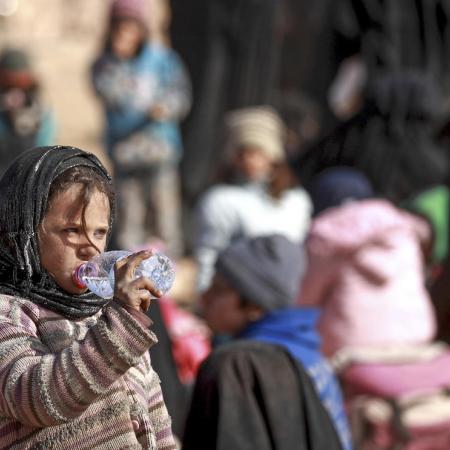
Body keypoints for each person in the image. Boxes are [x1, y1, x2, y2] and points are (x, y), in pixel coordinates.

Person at [0, 146, 176, 449]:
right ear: (23, 231)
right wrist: (121, 325)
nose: (91, 249)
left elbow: (156, 426)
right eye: (72, 230)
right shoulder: (10, 314)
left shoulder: (107, 316)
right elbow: (37, 399)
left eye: (99, 232)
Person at [183, 235, 351, 450]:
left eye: (218, 289)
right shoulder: (305, 350)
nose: (205, 297)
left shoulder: (250, 366)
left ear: (254, 307)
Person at [298, 167, 437, 358]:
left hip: (349, 347)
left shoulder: (325, 239)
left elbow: (304, 302)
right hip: (417, 336)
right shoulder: (402, 229)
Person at [91, 0, 191, 258]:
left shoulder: (162, 59)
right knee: (129, 220)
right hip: (126, 156)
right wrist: (119, 63)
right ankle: (128, 275)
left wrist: (165, 108)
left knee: (165, 218)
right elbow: (114, 101)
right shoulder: (104, 65)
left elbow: (181, 95)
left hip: (161, 152)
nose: (126, 33)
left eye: (132, 27)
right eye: (120, 27)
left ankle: (169, 277)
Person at [194, 106, 312, 291]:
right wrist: (206, 296)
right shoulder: (220, 200)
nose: (250, 160)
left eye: (257, 151)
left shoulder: (297, 201)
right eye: (242, 152)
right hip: (235, 302)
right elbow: (209, 254)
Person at [0, 47, 56, 177]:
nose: (14, 88)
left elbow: (45, 149)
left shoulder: (42, 112)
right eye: (8, 81)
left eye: (20, 81)